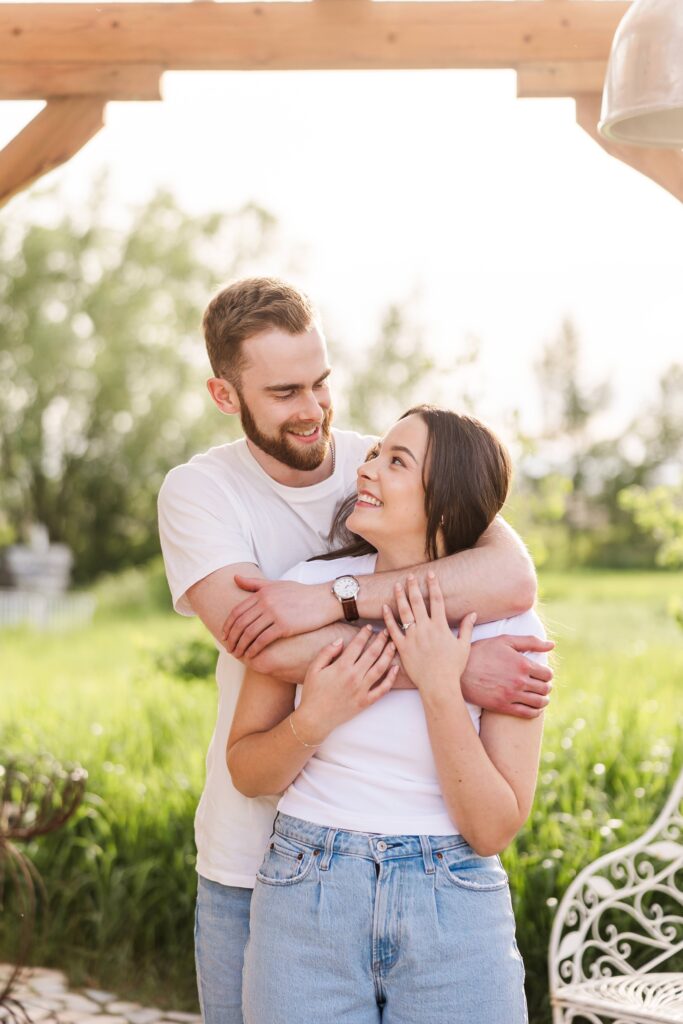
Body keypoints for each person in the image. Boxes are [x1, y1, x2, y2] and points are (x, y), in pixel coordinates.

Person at [157, 278, 553, 1024]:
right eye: (282, 392)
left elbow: (509, 575)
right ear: (225, 395)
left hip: (444, 884)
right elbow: (268, 653)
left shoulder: (374, 459)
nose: (312, 411)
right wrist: (456, 670)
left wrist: (332, 599)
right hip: (266, 859)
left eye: (320, 383)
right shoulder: (198, 493)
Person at [227, 405, 547, 1024]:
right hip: (306, 889)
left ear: (447, 507)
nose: (367, 469)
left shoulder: (509, 627)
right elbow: (247, 772)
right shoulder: (305, 591)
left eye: (396, 461)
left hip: (453, 900)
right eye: (375, 453)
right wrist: (312, 721)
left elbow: (492, 830)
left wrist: (439, 685)